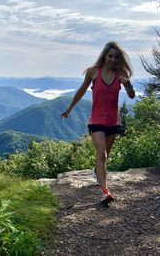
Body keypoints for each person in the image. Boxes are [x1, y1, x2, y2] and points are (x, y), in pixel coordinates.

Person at [61, 41, 135, 204]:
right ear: (104, 56)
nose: (113, 59)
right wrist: (69, 108)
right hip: (96, 121)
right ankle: (105, 191)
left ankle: (97, 171)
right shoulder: (93, 72)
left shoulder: (121, 73)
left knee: (104, 156)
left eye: (116, 57)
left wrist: (128, 85)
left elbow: (131, 95)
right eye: (110, 56)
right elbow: (81, 90)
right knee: (102, 153)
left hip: (113, 121)